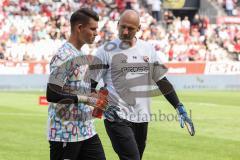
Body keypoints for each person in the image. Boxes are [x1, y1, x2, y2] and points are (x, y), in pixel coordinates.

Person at [90, 9, 195, 160]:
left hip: (142, 117)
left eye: (130, 28)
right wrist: (103, 105)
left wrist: (178, 106)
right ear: (117, 24)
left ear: (138, 29)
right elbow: (89, 86)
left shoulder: (148, 49)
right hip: (116, 117)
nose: (125, 31)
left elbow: (161, 80)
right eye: (122, 27)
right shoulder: (105, 51)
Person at [46, 8, 107, 160]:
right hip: (65, 133)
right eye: (93, 29)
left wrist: (94, 98)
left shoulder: (80, 54)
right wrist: (86, 99)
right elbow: (52, 93)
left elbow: (78, 90)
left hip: (86, 130)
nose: (96, 33)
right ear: (80, 28)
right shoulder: (64, 55)